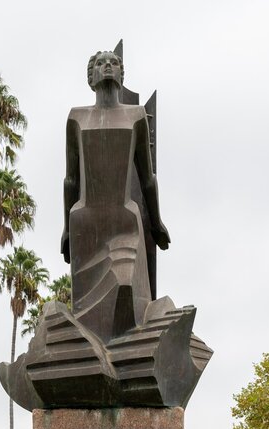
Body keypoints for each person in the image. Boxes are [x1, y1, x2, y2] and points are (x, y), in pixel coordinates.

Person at [61, 50, 171, 342]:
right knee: (88, 324)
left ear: (121, 75)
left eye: (114, 62)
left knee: (125, 288)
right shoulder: (77, 117)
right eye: (100, 63)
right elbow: (71, 180)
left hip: (124, 221)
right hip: (84, 225)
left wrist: (156, 222)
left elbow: (147, 179)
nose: (108, 65)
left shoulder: (136, 116)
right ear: (91, 76)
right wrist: (65, 229)